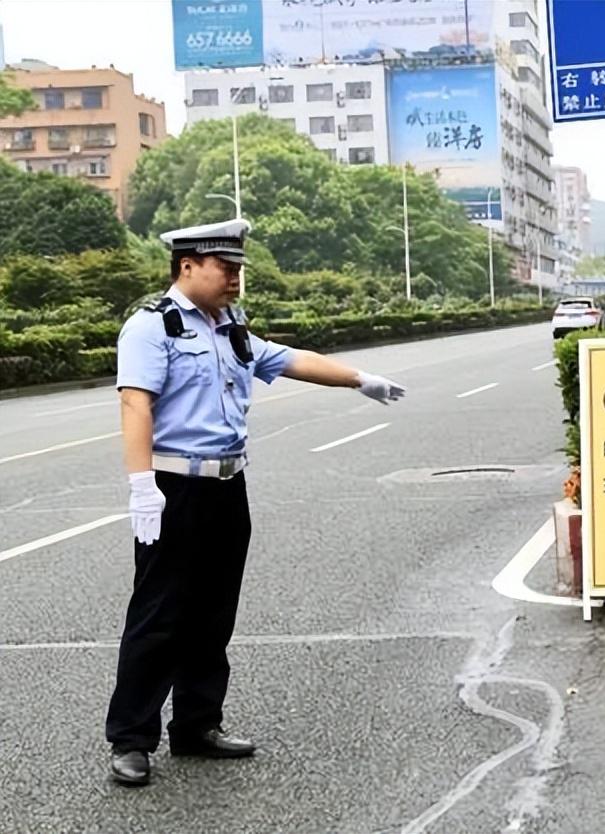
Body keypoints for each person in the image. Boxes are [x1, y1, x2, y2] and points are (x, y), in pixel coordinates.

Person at [107, 220, 406, 787]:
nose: (237, 279)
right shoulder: (152, 328)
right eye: (227, 269)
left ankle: (197, 725)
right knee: (159, 615)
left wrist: (359, 378)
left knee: (212, 613)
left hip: (227, 486)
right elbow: (135, 406)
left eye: (240, 269)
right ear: (188, 265)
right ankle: (131, 738)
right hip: (175, 487)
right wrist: (141, 486)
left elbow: (288, 359)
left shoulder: (231, 326)